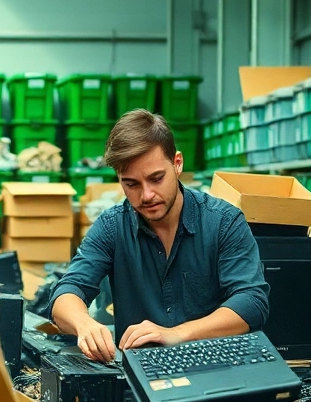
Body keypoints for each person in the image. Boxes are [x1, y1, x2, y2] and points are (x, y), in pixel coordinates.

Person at [50, 109, 269, 363]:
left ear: (177, 164)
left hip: (217, 371)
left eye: (156, 179)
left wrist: (177, 334)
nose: (146, 195)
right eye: (131, 184)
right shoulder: (111, 227)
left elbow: (252, 302)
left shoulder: (223, 222)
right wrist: (84, 324)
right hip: (141, 376)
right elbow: (66, 291)